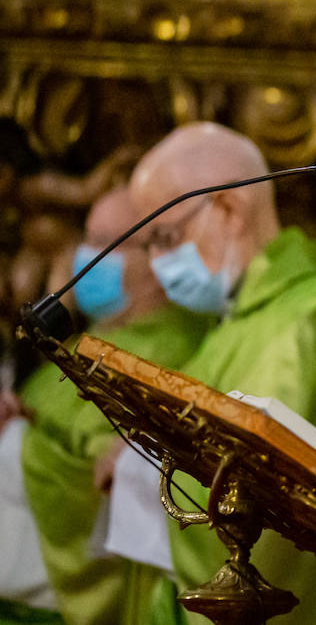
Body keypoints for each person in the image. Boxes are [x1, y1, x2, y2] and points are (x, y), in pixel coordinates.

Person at [110, 123, 316, 625]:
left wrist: (136, 476)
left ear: (229, 210)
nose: (157, 263)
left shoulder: (314, 319)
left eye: (165, 237)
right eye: (147, 244)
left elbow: (273, 517)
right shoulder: (235, 324)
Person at [1, 188, 210, 625]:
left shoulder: (177, 349)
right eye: (87, 238)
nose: (87, 256)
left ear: (157, 255)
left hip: (76, 583)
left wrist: (17, 439)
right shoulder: (85, 339)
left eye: (106, 242)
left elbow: (110, 470)